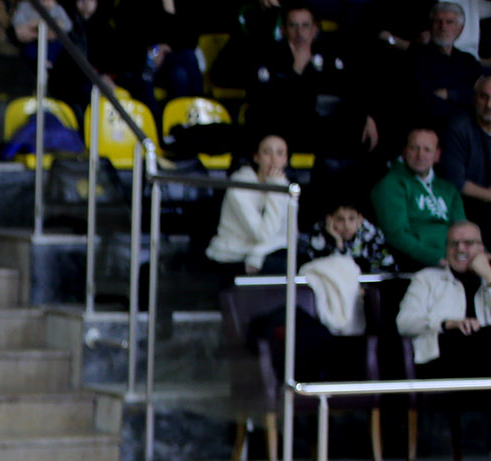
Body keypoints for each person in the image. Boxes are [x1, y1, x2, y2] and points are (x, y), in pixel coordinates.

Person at [237, 4, 377, 168]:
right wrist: (297, 70)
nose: (300, 33)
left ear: (315, 29)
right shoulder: (270, 56)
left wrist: (366, 116)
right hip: (286, 130)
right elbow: (271, 106)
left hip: (321, 131)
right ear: (283, 30)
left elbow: (351, 89)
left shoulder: (329, 55)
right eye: (293, 26)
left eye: (305, 25)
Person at [397, 220, 491, 434]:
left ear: (481, 248)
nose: (460, 249)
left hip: (484, 357)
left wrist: (488, 275)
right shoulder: (426, 280)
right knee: (468, 337)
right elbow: (404, 322)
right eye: (454, 244)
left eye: (468, 243)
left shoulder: (489, 279)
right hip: (443, 356)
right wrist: (447, 323)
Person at [373, 127, 468, 270]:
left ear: (437, 155)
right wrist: (437, 258)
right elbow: (396, 235)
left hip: (454, 259)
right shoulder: (391, 184)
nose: (420, 155)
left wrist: (480, 254)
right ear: (404, 151)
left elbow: (463, 230)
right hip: (420, 265)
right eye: (414, 148)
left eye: (427, 150)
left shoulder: (448, 189)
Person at [206, 134, 294, 275]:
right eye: (267, 152)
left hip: (260, 254)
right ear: (256, 157)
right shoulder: (239, 186)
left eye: (279, 153)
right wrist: (275, 190)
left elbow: (288, 236)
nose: (273, 159)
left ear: (286, 160)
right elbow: (263, 235)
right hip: (232, 254)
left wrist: (257, 253)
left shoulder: (286, 187)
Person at [406, 1, 483, 133]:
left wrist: (450, 94)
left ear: (460, 29)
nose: (443, 27)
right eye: (438, 22)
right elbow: (423, 99)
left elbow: (481, 95)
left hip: (465, 130)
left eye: (449, 22)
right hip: (429, 129)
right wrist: (463, 97)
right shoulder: (416, 56)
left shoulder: (468, 61)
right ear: (431, 26)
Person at [439, 74, 491, 233]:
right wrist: (488, 195)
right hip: (467, 207)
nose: (489, 105)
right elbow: (455, 182)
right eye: (484, 97)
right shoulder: (459, 128)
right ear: (474, 98)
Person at [297, 198, 399, 272]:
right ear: (330, 219)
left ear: (360, 219)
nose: (347, 225)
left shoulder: (372, 235)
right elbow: (318, 269)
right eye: (340, 219)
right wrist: (338, 243)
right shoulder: (319, 235)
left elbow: (387, 268)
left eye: (352, 219)